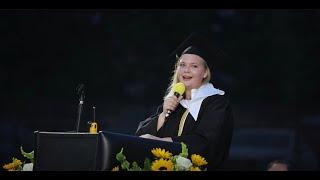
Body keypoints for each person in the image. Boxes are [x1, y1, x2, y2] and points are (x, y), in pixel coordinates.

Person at [135, 31, 234, 170]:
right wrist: (163, 114)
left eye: (194, 66)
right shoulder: (173, 102)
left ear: (205, 73)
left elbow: (206, 143)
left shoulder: (216, 104)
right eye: (182, 65)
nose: (186, 70)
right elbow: (140, 138)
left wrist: (161, 143)